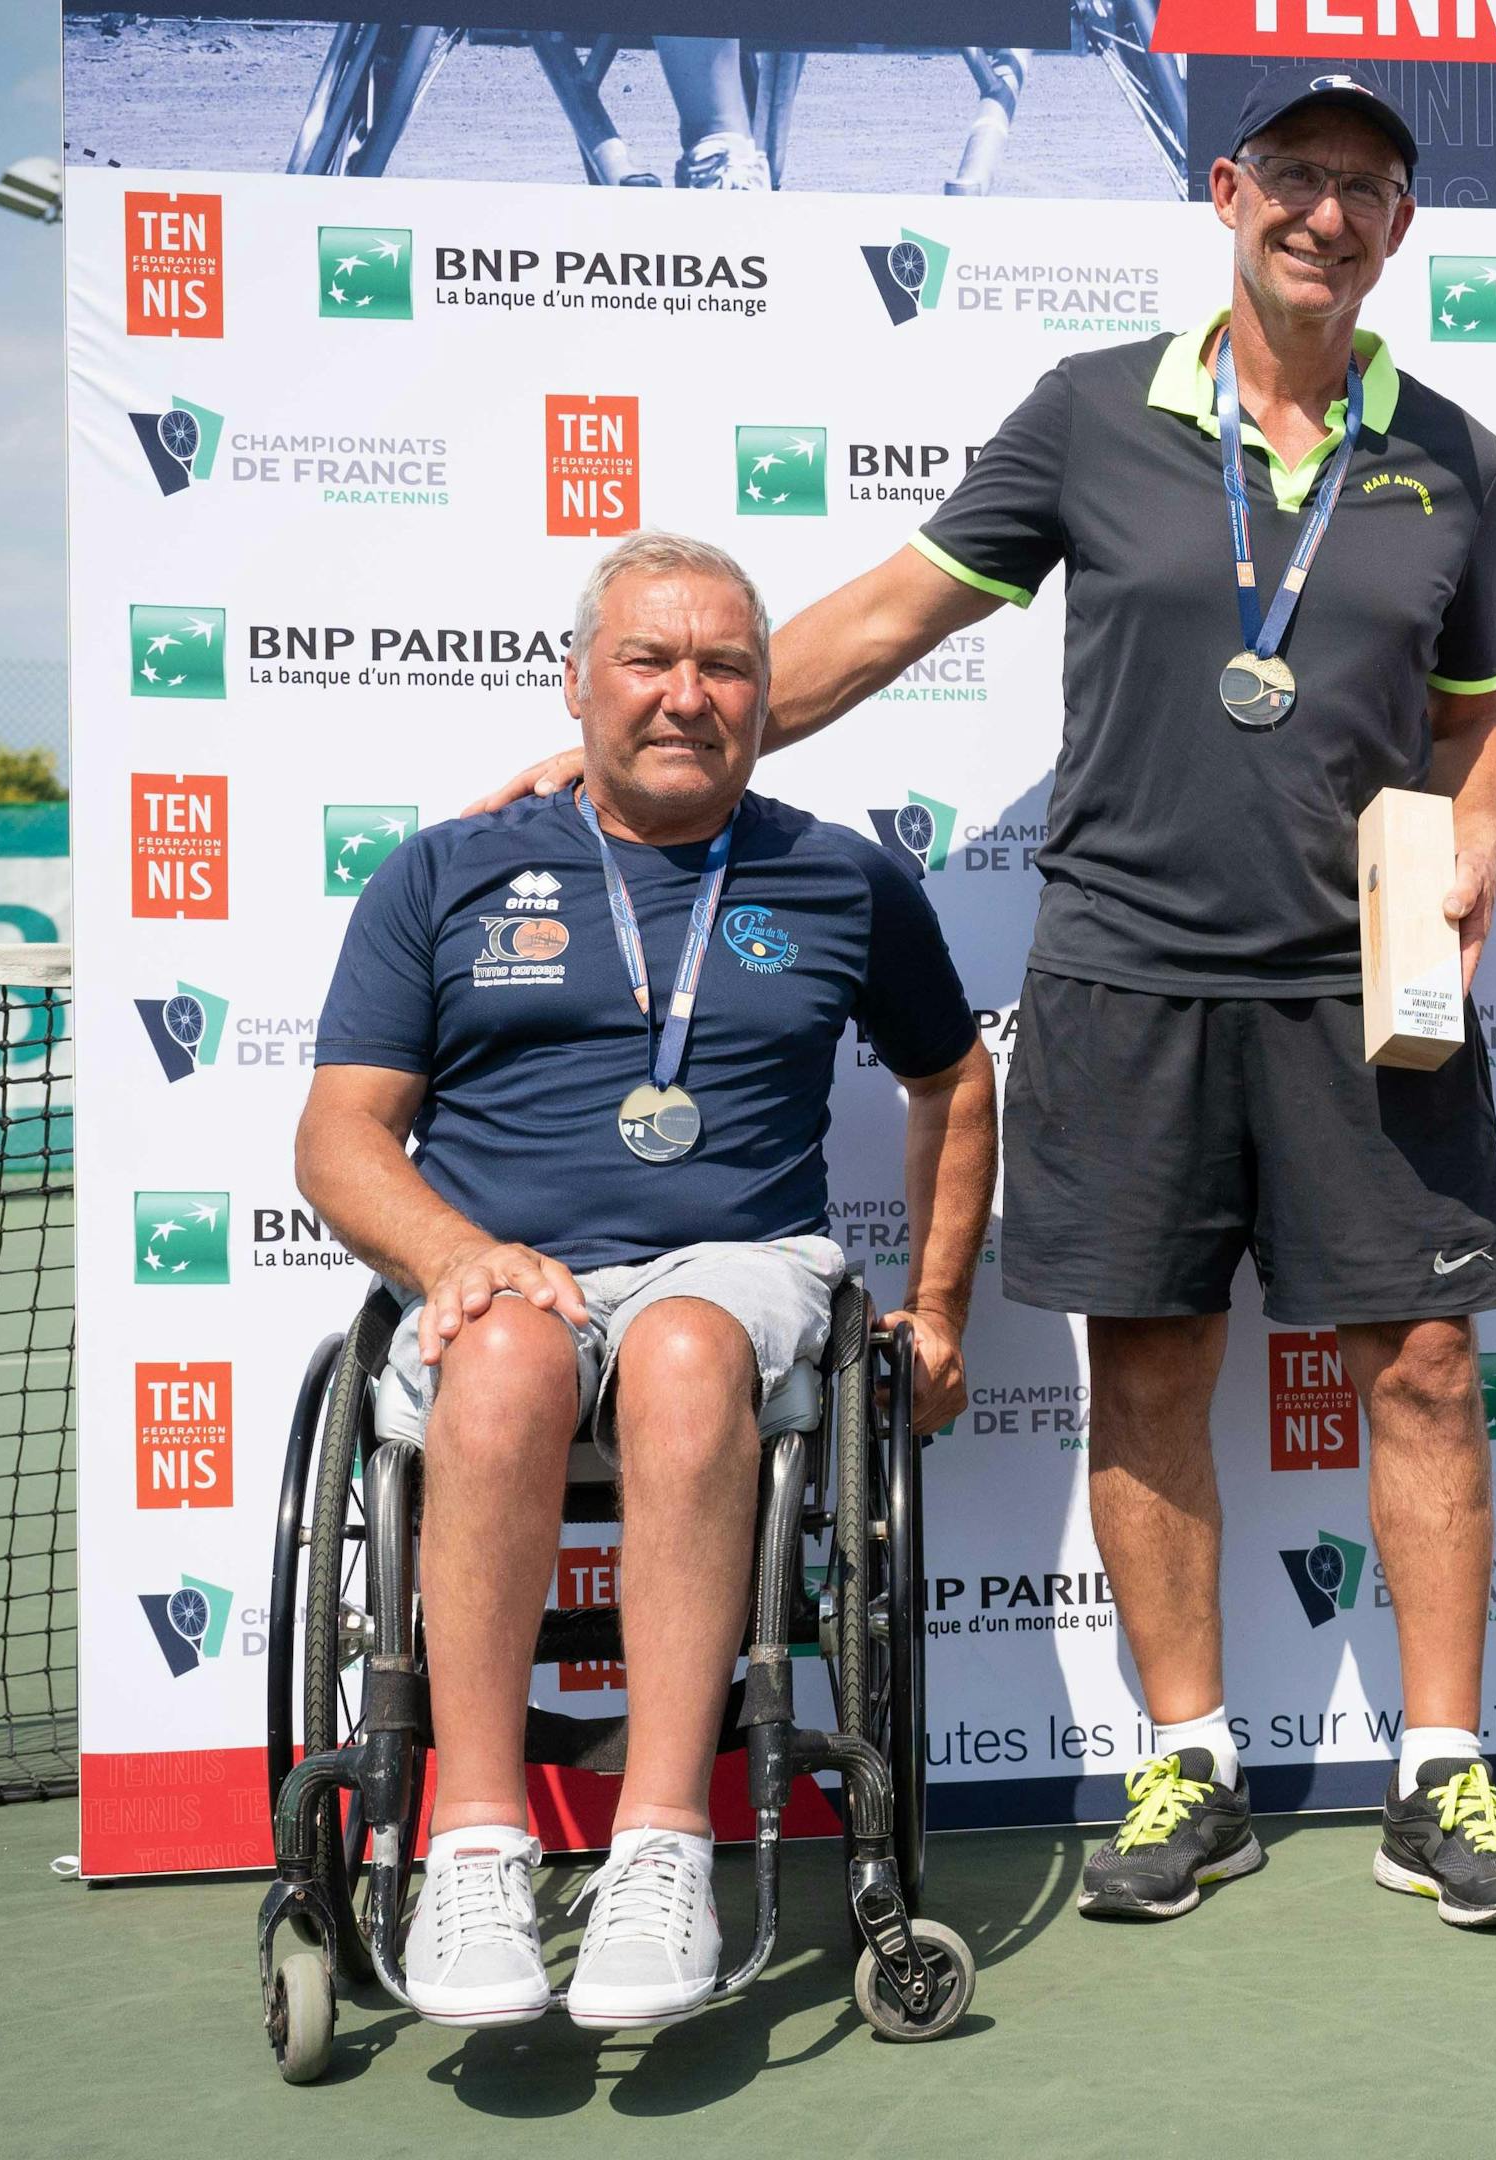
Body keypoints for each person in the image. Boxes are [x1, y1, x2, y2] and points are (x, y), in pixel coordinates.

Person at [463, 72, 1496, 1930]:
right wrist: (652, 750)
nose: (1327, 213)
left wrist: (1472, 843)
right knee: (1148, 1368)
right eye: (1295, 176)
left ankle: (1442, 1778)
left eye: (1367, 188)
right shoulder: (1090, 412)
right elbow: (890, 614)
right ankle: (1185, 1767)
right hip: (1124, 972)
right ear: (1228, 192)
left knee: (1431, 1373)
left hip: (1361, 997)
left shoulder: (1452, 449)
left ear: (1401, 228)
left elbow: (1473, 729)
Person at [298, 531, 998, 2030]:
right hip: (505, 1261)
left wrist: (940, 1309)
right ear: (578, 682)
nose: (689, 694)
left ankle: (663, 1843)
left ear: (767, 693)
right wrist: (452, 1255)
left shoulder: (843, 878)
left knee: (686, 1350)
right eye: (650, 659)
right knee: (500, 1349)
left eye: (726, 665)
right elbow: (341, 1133)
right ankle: (476, 1842)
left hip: (744, 1267)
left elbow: (954, 1080)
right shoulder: (444, 872)